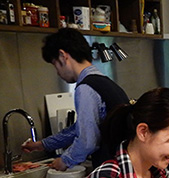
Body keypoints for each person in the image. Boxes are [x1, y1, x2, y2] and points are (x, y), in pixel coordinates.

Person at [22, 28, 129, 170]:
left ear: (62, 56)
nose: (58, 73)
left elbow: (87, 141)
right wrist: (43, 144)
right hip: (125, 168)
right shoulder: (104, 82)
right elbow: (82, 128)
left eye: (55, 65)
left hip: (112, 171)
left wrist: (65, 161)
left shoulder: (85, 88)